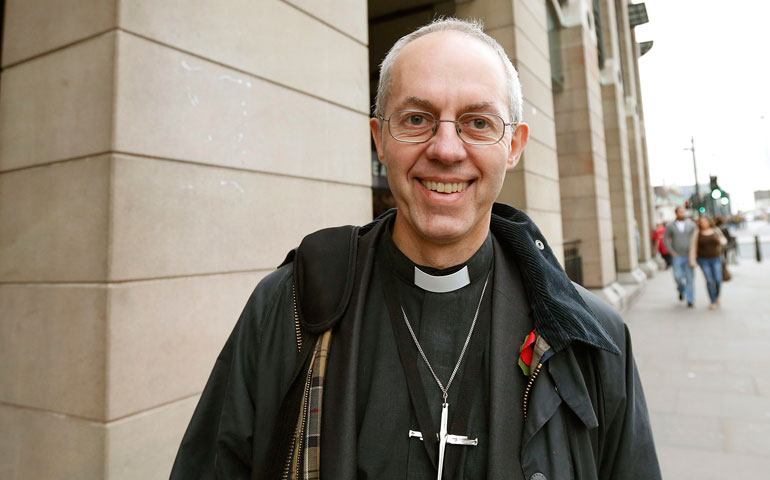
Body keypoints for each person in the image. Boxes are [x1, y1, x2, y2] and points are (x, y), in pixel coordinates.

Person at [170, 18, 661, 480]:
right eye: (416, 118)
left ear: (513, 146)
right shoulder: (287, 308)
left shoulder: (592, 338)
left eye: (478, 123)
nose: (446, 149)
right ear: (379, 139)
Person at [663, 206, 697, 307]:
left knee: (690, 278)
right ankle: (681, 290)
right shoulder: (670, 226)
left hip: (688, 255)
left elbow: (695, 237)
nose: (682, 213)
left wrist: (693, 250)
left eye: (683, 212)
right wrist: (671, 251)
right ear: (676, 213)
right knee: (677, 277)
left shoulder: (691, 225)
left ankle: (690, 300)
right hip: (677, 256)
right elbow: (665, 239)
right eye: (680, 212)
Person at [690, 216, 727, 309]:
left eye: (705, 221)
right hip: (703, 260)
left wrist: (720, 241)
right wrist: (692, 260)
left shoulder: (715, 230)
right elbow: (693, 247)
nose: (703, 223)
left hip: (716, 258)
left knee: (718, 279)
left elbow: (723, 240)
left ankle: (717, 296)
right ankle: (713, 301)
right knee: (709, 280)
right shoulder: (697, 233)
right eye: (701, 222)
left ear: (709, 222)